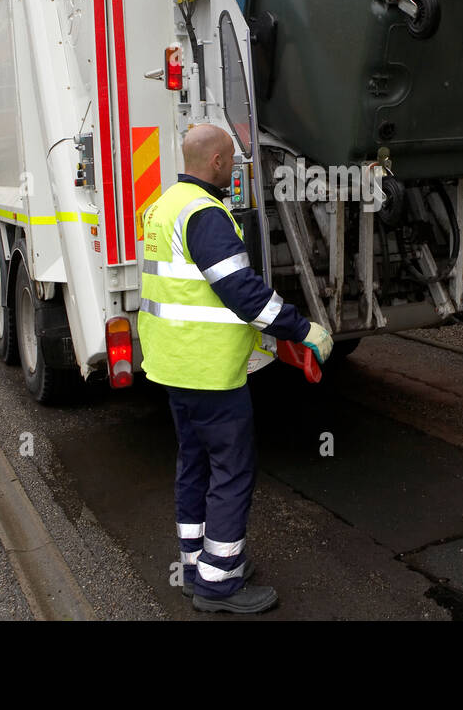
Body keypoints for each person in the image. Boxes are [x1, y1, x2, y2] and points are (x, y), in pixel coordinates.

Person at [138, 123, 334, 613]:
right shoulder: (206, 215)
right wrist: (301, 329)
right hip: (209, 370)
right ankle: (220, 583)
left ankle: (196, 565)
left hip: (172, 363)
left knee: (194, 463)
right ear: (219, 163)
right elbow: (242, 293)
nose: (236, 168)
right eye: (233, 160)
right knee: (231, 469)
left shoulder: (163, 206)